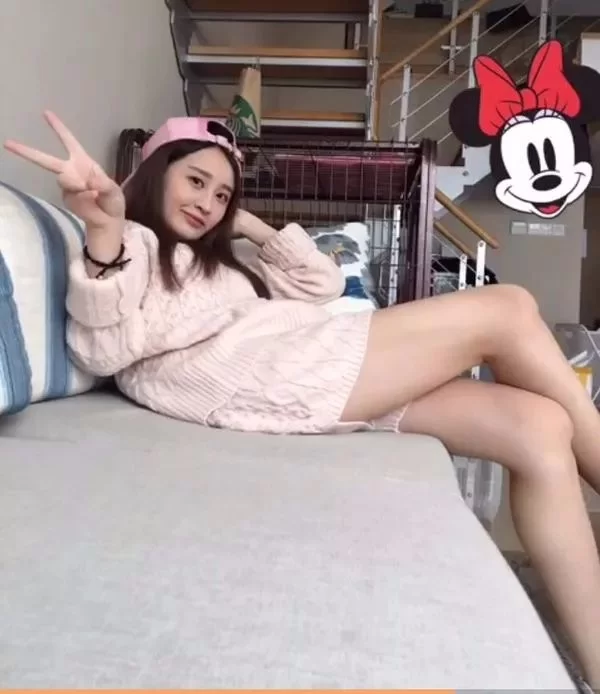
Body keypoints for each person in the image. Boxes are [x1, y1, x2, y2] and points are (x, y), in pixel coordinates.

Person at [5, 111, 600, 686]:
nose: (207, 203)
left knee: (539, 426)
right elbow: (100, 350)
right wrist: (104, 231)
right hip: (267, 373)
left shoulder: (224, 262)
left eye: (221, 194)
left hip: (301, 360)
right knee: (509, 308)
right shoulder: (133, 242)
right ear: (157, 173)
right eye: (195, 181)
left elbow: (323, 284)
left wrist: (247, 225)